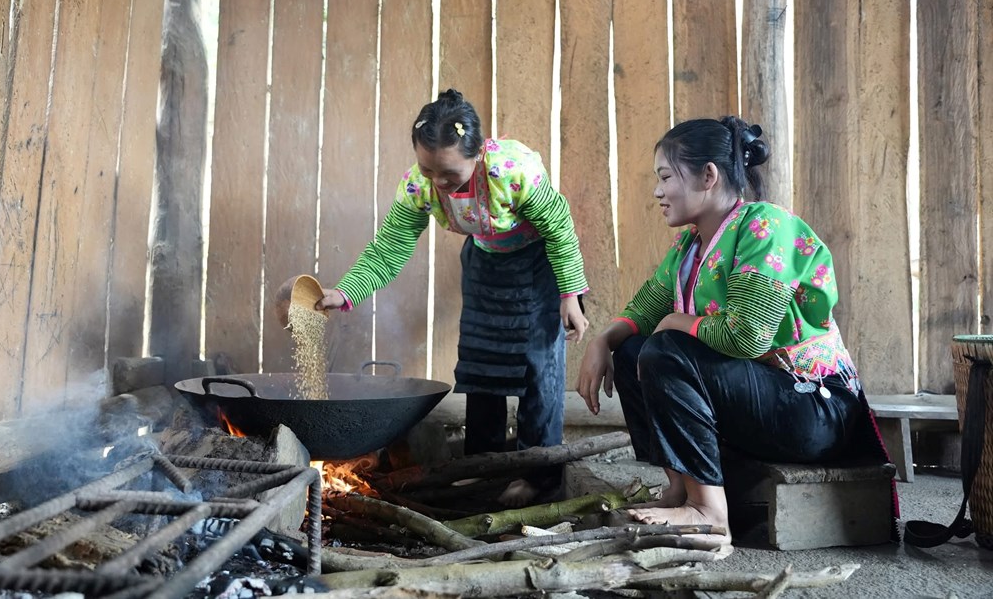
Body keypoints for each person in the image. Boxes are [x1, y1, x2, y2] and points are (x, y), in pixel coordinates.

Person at [576, 116, 895, 544]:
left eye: (666, 177)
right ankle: (681, 488)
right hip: (762, 399)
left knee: (665, 348)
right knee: (634, 348)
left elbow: (747, 336)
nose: (657, 191)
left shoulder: (766, 226)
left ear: (708, 175)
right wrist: (602, 341)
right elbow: (644, 310)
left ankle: (708, 511)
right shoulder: (689, 246)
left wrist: (677, 322)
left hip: (811, 408)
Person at [278, 88, 590, 507]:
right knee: (481, 370)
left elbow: (559, 227)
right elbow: (389, 249)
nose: (438, 182)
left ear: (477, 153)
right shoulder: (418, 186)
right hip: (484, 264)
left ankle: (539, 476)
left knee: (539, 370)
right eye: (428, 170)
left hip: (539, 266)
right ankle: (482, 469)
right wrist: (345, 292)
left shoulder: (512, 172)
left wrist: (570, 294)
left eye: (449, 173)